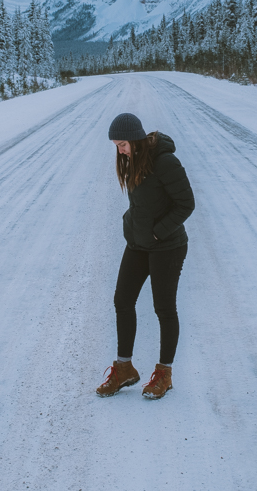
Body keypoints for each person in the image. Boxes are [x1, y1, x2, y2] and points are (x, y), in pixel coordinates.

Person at [96, 112, 195, 400]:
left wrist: (157, 232)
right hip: (138, 244)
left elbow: (186, 203)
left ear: (137, 139)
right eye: (116, 145)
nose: (120, 150)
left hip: (167, 246)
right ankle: (125, 368)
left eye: (123, 144)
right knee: (122, 301)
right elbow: (142, 202)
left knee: (164, 309)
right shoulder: (131, 160)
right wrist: (132, 224)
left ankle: (164, 374)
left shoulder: (165, 162)